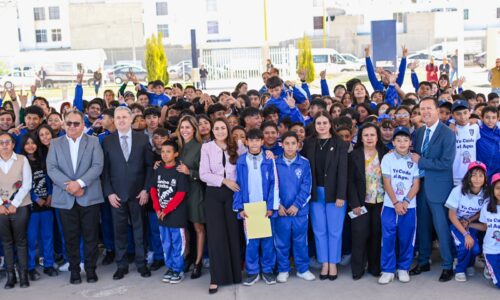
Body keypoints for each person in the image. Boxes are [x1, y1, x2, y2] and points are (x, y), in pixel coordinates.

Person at [46, 110, 104, 284]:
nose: (72, 126)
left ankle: (91, 269)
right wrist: (70, 186)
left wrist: (79, 183)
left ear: (83, 125)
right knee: (70, 237)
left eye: (76, 123)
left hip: (89, 196)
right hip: (65, 198)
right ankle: (74, 270)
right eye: (69, 123)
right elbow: (52, 168)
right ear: (64, 124)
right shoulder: (55, 143)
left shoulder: (93, 141)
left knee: (90, 236)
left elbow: (97, 165)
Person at [102, 106, 153, 280]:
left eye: (124, 117)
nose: (121, 120)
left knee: (140, 230)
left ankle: (141, 263)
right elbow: (105, 171)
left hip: (138, 194)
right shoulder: (108, 141)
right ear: (114, 121)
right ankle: (121, 265)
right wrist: (109, 193)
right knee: (119, 231)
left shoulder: (143, 139)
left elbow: (148, 166)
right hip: (116, 195)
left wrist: (146, 189)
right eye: (118, 118)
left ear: (131, 119)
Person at [410, 97, 456, 282]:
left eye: (429, 108)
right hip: (420, 188)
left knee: (442, 227)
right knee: (422, 227)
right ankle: (423, 261)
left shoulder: (447, 133)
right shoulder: (420, 132)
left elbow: (446, 163)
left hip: (439, 188)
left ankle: (447, 265)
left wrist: (421, 161)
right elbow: (413, 154)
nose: (426, 112)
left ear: (437, 110)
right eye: (422, 109)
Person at [301, 111, 348, 280]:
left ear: (330, 124)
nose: (321, 126)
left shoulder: (340, 143)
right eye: (318, 123)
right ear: (314, 125)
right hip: (315, 193)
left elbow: (343, 171)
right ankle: (324, 263)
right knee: (319, 230)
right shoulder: (309, 143)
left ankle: (333, 263)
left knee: (335, 230)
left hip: (335, 193)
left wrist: (341, 195)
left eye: (324, 122)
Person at [199, 118, 243, 294]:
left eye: (223, 128)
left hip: (234, 194)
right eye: (216, 128)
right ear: (212, 131)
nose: (220, 131)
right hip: (214, 193)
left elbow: (254, 156)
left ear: (228, 129)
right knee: (216, 236)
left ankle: (234, 274)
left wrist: (269, 155)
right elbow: (203, 174)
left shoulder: (239, 145)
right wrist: (224, 180)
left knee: (233, 233)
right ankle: (216, 278)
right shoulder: (207, 147)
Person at [233, 128, 278, 286]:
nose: (254, 143)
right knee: (251, 242)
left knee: (267, 241)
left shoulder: (268, 159)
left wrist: (272, 206)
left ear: (262, 142)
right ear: (246, 142)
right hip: (249, 208)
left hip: (265, 207)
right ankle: (252, 272)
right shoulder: (241, 161)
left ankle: (267, 270)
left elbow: (274, 184)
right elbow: (237, 185)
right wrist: (239, 207)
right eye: (251, 140)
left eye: (257, 140)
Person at [379, 126, 420, 284]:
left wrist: (405, 201)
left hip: (409, 206)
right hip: (390, 205)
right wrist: (396, 202)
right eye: (398, 140)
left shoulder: (415, 159)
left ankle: (403, 268)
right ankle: (388, 269)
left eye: (405, 140)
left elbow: (416, 184)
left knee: (406, 237)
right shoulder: (388, 158)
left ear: (410, 142)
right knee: (388, 237)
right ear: (393, 142)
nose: (402, 143)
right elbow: (387, 182)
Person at [348, 123, 387, 280]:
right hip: (361, 203)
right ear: (361, 138)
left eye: (372, 135)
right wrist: (355, 204)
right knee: (359, 234)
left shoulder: (385, 154)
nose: (369, 138)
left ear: (377, 136)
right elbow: (349, 182)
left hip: (381, 202)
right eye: (366, 135)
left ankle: (374, 266)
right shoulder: (354, 155)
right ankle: (357, 268)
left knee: (377, 235)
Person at [274, 131, 315, 282]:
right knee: (282, 241)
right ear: (281, 145)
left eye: (293, 143)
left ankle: (302, 269)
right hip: (281, 211)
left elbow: (307, 186)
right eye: (287, 143)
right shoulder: (275, 162)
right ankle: (283, 269)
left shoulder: (304, 163)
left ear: (298, 145)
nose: (290, 147)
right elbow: (272, 186)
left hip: (299, 211)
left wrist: (297, 205)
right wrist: (277, 205)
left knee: (300, 241)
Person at [150, 141, 189, 284]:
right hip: (161, 214)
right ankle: (170, 267)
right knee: (165, 242)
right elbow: (153, 189)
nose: (165, 154)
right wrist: (157, 208)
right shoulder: (158, 168)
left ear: (176, 154)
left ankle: (178, 269)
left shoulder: (179, 170)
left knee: (177, 242)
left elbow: (181, 193)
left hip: (175, 214)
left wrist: (166, 210)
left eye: (168, 151)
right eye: (163, 151)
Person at [445, 161, 488, 282]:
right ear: (468, 177)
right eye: (474, 175)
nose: (477, 179)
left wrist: (469, 220)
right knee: (465, 244)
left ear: (485, 178)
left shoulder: (485, 193)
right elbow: (451, 215)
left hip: (469, 223)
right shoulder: (458, 190)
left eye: (481, 175)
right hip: (457, 223)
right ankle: (459, 269)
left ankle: (469, 263)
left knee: (475, 249)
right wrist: (465, 233)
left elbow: (481, 212)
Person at [23, 134, 58, 281]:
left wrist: (49, 195)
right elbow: (21, 185)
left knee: (47, 236)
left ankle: (48, 264)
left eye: (33, 143)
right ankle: (30, 267)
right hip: (31, 206)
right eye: (27, 144)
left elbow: (50, 179)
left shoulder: (43, 160)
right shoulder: (22, 162)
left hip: (47, 204)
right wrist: (36, 198)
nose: (30, 146)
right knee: (31, 238)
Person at [0, 132, 33, 289]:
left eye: (8, 142)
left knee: (21, 241)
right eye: (1, 142)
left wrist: (14, 203)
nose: (4, 144)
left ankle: (24, 275)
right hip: (0, 208)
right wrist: (1, 204)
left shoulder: (22, 159)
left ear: (13, 144)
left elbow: (27, 184)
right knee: (6, 242)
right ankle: (10, 276)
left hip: (21, 206)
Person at [175, 115, 205, 279]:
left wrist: (190, 173)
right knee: (184, 226)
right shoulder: (177, 147)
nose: (184, 130)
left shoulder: (201, 147)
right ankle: (188, 256)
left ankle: (198, 261)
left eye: (188, 127)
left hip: (195, 190)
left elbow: (207, 173)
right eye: (182, 127)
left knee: (198, 227)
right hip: (180, 192)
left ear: (194, 128)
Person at [451, 100, 480, 185]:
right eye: (458, 114)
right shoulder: (449, 129)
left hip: (472, 173)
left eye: (465, 113)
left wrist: (478, 120)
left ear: (470, 113)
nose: (462, 117)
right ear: (452, 115)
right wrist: (451, 123)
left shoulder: (475, 127)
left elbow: (493, 123)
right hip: (454, 174)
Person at [479, 173, 500, 289]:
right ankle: (489, 265)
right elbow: (484, 226)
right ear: (492, 189)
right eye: (498, 188)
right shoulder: (487, 205)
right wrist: (469, 224)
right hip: (491, 249)